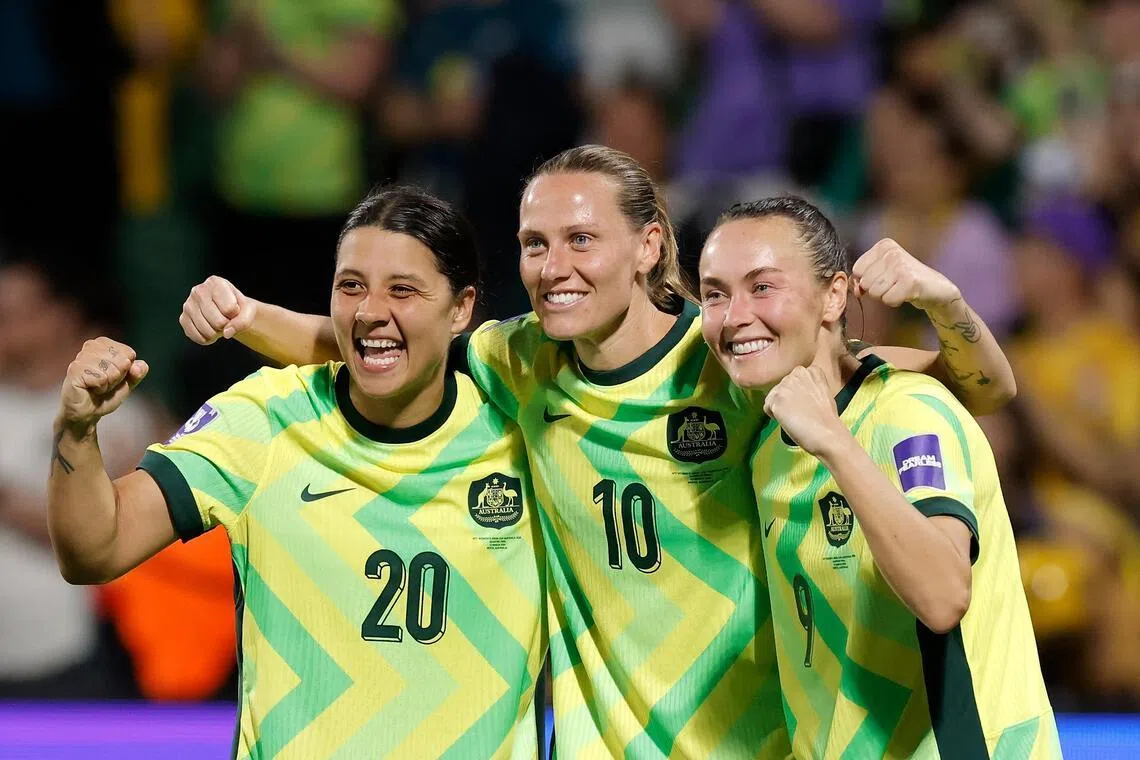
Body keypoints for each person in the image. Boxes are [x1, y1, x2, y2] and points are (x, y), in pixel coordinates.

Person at [180, 146, 1016, 758]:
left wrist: (947, 305)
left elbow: (956, 386)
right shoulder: (521, 360)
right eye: (534, 243)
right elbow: (376, 342)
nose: (552, 266)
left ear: (649, 247)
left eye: (580, 240)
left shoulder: (729, 354)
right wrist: (247, 317)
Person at [48, 187, 545, 758]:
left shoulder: (525, 431)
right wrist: (77, 432)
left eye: (402, 290)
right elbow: (94, 550)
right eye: (350, 285)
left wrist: (253, 317)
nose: (369, 311)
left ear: (461, 308)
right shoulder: (265, 418)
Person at [697, 196, 1058, 758]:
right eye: (715, 294)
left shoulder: (907, 412)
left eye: (762, 287)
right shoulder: (768, 437)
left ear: (835, 295)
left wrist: (837, 446)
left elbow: (943, 597)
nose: (734, 314)